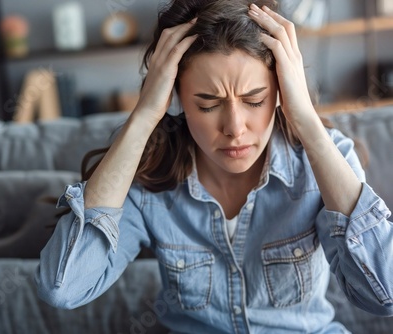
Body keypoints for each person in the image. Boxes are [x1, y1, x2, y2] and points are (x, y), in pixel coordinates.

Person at [35, 0, 393, 332]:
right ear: (175, 99)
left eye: (255, 100)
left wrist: (307, 122)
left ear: (282, 90)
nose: (235, 128)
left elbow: (385, 294)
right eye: (208, 105)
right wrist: (144, 116)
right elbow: (62, 288)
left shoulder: (321, 161)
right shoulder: (149, 178)